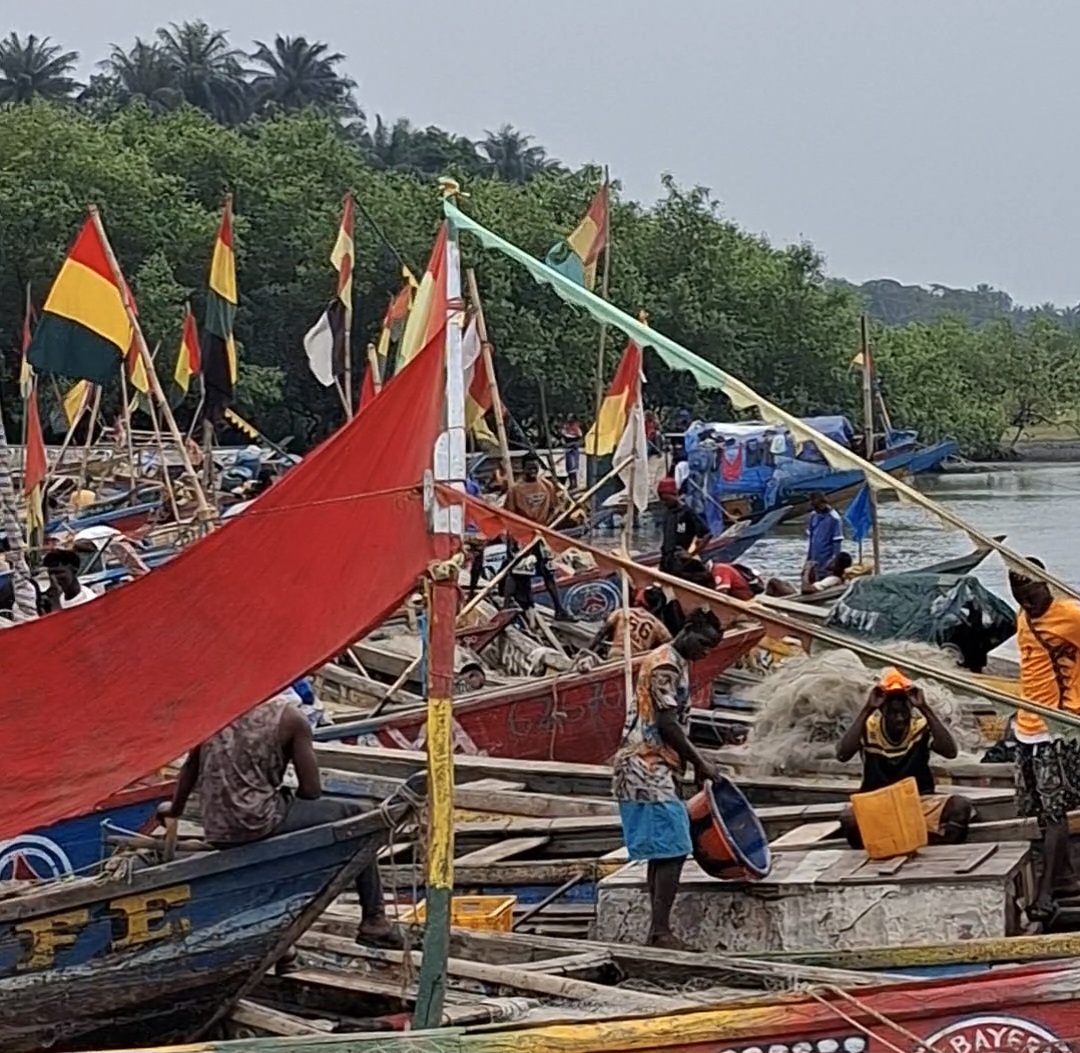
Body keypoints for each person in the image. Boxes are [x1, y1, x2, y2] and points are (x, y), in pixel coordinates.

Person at [161, 691, 398, 946]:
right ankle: (374, 919)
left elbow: (190, 769)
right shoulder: (290, 718)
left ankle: (285, 946)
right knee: (359, 816)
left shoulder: (214, 713)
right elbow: (311, 791)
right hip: (259, 822)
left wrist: (174, 810)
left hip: (218, 828)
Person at [613, 608, 724, 948]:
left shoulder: (675, 662)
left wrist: (683, 766)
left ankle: (657, 930)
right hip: (644, 766)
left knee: (663, 849)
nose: (704, 653)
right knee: (675, 846)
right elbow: (666, 723)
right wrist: (700, 761)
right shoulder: (665, 664)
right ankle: (660, 931)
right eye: (703, 645)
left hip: (656, 765)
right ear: (687, 630)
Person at [1009, 557, 1080, 919]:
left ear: (1046, 584)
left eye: (1032, 594)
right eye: (1019, 596)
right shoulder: (1024, 617)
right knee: (1041, 811)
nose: (1027, 603)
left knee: (1055, 813)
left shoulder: (1071, 614)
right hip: (1027, 726)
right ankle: (1066, 876)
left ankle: (1047, 892)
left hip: (1059, 727)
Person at [836, 667, 975, 849]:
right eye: (893, 713)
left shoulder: (920, 726)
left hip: (917, 803)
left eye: (904, 713)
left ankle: (931, 845)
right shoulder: (869, 727)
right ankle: (881, 845)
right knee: (849, 818)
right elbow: (842, 755)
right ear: (883, 712)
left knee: (960, 806)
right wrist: (868, 708)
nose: (900, 719)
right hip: (878, 804)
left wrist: (924, 708)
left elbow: (950, 752)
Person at [503, 453, 573, 620]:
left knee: (548, 573)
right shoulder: (515, 490)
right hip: (523, 537)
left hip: (541, 536)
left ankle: (559, 609)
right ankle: (507, 607)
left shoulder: (547, 486)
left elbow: (555, 510)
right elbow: (508, 516)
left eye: (535, 468)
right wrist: (511, 539)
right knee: (518, 573)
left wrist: (552, 525)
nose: (533, 471)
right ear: (523, 468)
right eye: (529, 468)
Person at [588, 594, 673, 659]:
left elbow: (602, 633)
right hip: (637, 659)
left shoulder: (623, 611)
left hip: (617, 653)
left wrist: (588, 650)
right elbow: (670, 644)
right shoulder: (658, 625)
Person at [658, 477, 711, 576]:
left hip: (680, 563)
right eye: (662, 500)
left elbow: (707, 534)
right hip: (666, 562)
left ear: (675, 495)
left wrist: (691, 553)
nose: (664, 503)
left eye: (666, 500)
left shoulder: (687, 512)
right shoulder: (668, 513)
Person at [806, 493, 844, 579]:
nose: (816, 510)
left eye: (817, 507)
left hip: (827, 558)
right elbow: (811, 540)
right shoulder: (813, 516)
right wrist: (808, 559)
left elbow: (837, 542)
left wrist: (834, 560)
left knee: (824, 578)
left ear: (823, 504)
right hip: (815, 557)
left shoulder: (834, 518)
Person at [560, 414, 583, 483]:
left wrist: (576, 444)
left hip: (574, 450)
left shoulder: (576, 428)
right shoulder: (565, 428)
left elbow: (580, 439)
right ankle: (571, 482)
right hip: (568, 450)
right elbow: (563, 439)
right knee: (569, 466)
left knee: (574, 467)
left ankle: (574, 483)